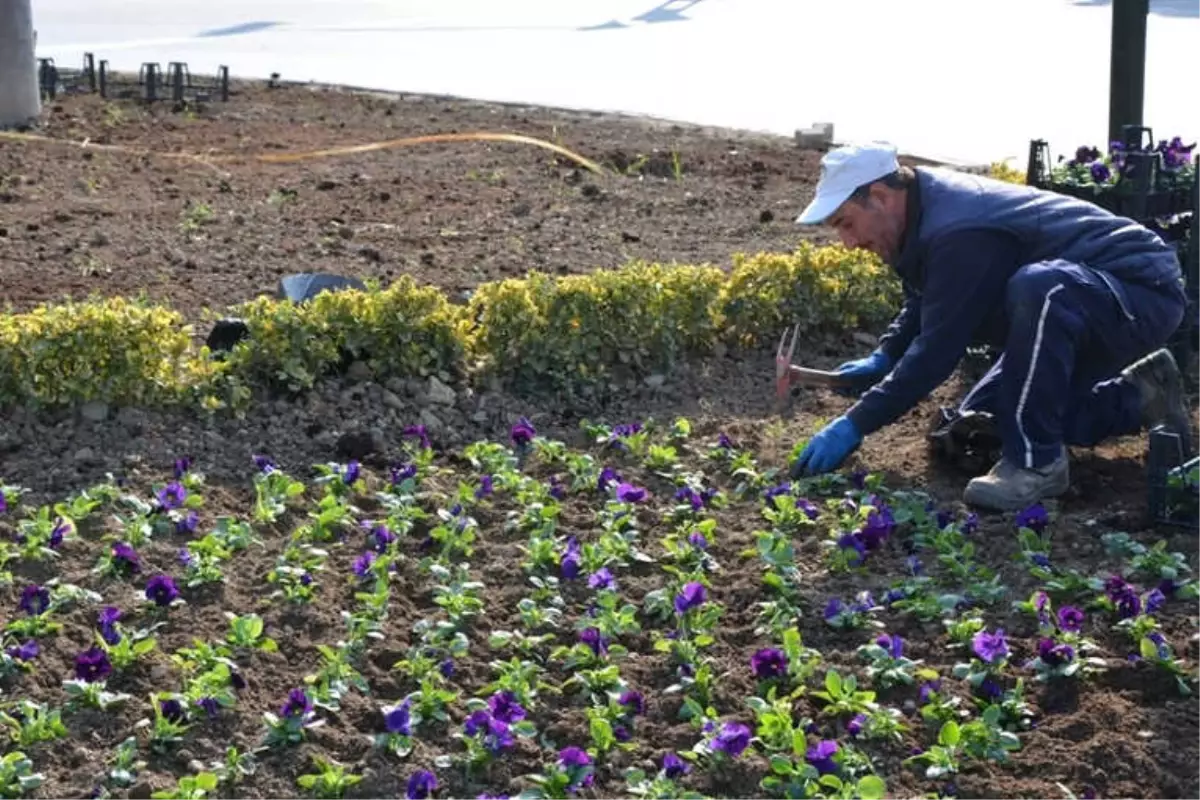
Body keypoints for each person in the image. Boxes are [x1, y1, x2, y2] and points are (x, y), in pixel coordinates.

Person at [788, 141, 1192, 511]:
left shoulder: (958, 231)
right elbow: (930, 294)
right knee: (983, 424)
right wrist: (886, 355)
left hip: (1139, 291)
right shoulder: (920, 210)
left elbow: (936, 353)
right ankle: (1142, 394)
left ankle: (1037, 464)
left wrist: (854, 423)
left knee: (1040, 286)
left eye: (846, 223)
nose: (848, 242)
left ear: (879, 197)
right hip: (1076, 306)